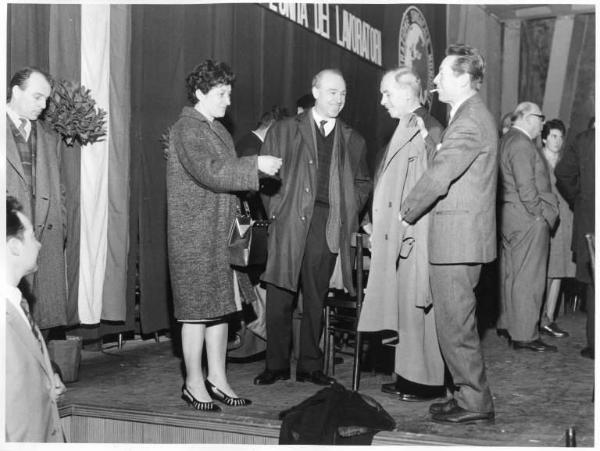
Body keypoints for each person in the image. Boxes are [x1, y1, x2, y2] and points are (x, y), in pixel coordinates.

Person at [166, 60, 282, 411]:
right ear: (200, 93)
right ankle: (193, 382)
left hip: (221, 232)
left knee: (222, 309)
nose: (227, 101)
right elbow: (211, 173)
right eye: (220, 94)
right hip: (196, 234)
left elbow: (224, 178)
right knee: (196, 313)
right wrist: (255, 166)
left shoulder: (215, 128)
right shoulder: (187, 129)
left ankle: (217, 378)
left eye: (229, 94)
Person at [254, 68, 372, 386]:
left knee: (315, 298)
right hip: (289, 220)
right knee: (279, 296)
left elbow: (363, 182)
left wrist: (347, 208)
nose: (338, 99)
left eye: (343, 94)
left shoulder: (353, 139)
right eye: (332, 92)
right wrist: (277, 210)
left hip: (327, 224)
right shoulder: (284, 129)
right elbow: (265, 174)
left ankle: (309, 365)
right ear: (315, 91)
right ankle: (275, 364)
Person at [399, 44, 497, 424]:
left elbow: (441, 174)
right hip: (461, 238)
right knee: (455, 322)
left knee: (456, 325)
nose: (435, 79)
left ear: (462, 78)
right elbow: (449, 159)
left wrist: (406, 212)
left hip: (458, 241)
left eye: (441, 73)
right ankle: (464, 394)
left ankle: (475, 402)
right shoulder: (468, 116)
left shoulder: (470, 118)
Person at [357, 67, 445, 402]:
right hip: (402, 235)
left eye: (387, 93)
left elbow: (427, 186)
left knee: (418, 308)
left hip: (415, 234)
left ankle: (424, 382)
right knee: (407, 309)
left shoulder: (424, 127)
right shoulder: (409, 124)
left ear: (408, 93)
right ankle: (410, 375)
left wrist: (407, 227)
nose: (382, 101)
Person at [6, 67, 68, 331]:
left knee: (42, 323)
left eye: (46, 100)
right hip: (8, 242)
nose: (43, 106)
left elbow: (60, 190)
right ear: (15, 92)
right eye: (37, 97)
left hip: (44, 242)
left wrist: (61, 222)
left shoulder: (47, 137)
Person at [497, 102, 559, 353]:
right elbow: (527, 188)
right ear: (526, 117)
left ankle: (510, 325)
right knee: (529, 279)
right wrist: (541, 215)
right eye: (540, 118)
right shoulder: (522, 144)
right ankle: (525, 335)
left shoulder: (507, 140)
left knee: (512, 275)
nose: (543, 123)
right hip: (527, 220)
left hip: (510, 217)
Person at [5, 196, 66, 442]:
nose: (39, 245)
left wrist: (49, 375)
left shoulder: (19, 304)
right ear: (14, 246)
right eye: (32, 236)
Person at [555, 125, 595, 359]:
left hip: (590, 222)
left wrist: (579, 199)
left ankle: (594, 345)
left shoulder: (584, 139)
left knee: (593, 284)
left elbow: (562, 173)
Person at [539, 119, 575, 338]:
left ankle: (550, 318)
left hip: (565, 221)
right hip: (546, 221)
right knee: (546, 273)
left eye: (560, 136)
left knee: (559, 271)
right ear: (544, 138)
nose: (558, 141)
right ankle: (539, 317)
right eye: (553, 136)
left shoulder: (564, 162)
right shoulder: (538, 161)